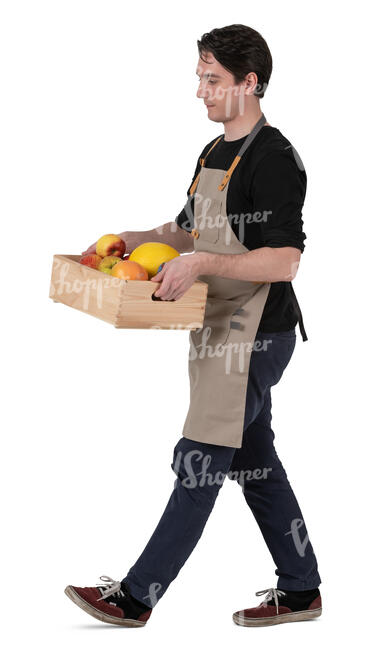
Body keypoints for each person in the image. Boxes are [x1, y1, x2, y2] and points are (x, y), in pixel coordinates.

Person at [65, 24, 321, 628]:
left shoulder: (275, 158)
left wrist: (202, 262)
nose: (200, 92)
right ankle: (302, 588)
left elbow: (286, 260)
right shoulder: (213, 154)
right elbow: (186, 231)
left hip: (257, 336)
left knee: (199, 457)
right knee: (255, 460)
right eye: (200, 78)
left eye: (213, 79)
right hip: (215, 331)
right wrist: (137, 238)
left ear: (249, 82)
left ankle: (136, 596)